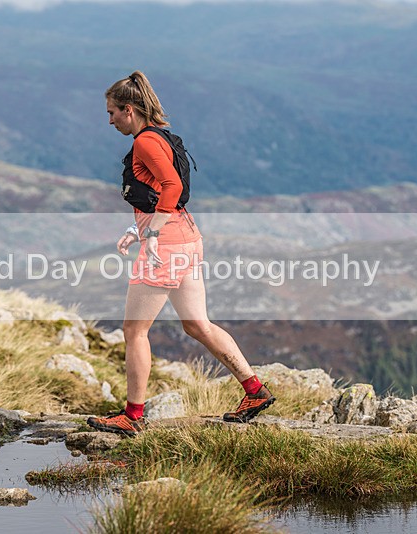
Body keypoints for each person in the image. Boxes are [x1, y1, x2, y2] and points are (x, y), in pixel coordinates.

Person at [87, 71, 274, 436]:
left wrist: (152, 235)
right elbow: (159, 191)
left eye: (112, 112)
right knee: (196, 324)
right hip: (186, 237)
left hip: (167, 245)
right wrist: (136, 230)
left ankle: (132, 416)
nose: (109, 120)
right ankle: (254, 390)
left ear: (129, 109)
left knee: (134, 331)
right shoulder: (162, 136)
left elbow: (171, 184)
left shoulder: (145, 142)